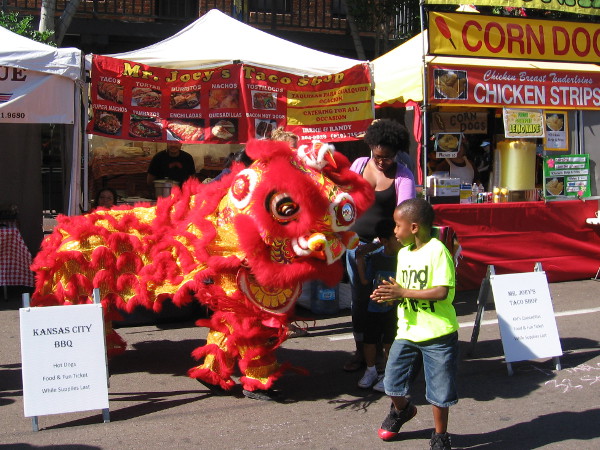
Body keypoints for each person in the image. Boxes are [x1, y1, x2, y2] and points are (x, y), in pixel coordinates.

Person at [372, 198, 458, 449]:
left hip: (438, 334)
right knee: (391, 382)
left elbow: (441, 291)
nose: (394, 232)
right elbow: (401, 290)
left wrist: (402, 293)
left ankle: (440, 435)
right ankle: (403, 411)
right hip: (408, 331)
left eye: (397, 226)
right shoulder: (404, 255)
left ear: (413, 227)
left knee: (439, 393)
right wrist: (388, 297)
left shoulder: (438, 251)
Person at [344, 118, 416, 372]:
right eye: (377, 156)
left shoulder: (403, 176)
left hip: (385, 250)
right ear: (371, 148)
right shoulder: (360, 164)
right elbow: (344, 198)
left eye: (386, 157)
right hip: (355, 245)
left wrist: (382, 245)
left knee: (383, 302)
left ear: (396, 154)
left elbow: (405, 216)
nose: (381, 161)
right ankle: (362, 352)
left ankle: (388, 354)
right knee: (359, 300)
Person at [355, 219, 402, 392]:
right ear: (384, 240)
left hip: (394, 308)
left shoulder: (404, 258)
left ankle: (388, 375)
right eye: (395, 238)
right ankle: (371, 371)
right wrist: (360, 259)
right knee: (370, 341)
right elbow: (365, 280)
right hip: (374, 306)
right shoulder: (375, 258)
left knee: (389, 343)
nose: (400, 240)